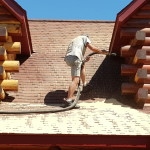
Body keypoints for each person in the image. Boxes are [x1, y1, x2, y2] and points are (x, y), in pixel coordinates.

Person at [64, 34, 109, 105]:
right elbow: (92, 48)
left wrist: (84, 60)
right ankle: (69, 98)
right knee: (75, 80)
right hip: (75, 57)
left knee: (82, 65)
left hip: (69, 58)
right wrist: (101, 52)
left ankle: (84, 84)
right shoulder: (85, 38)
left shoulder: (74, 40)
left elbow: (76, 57)